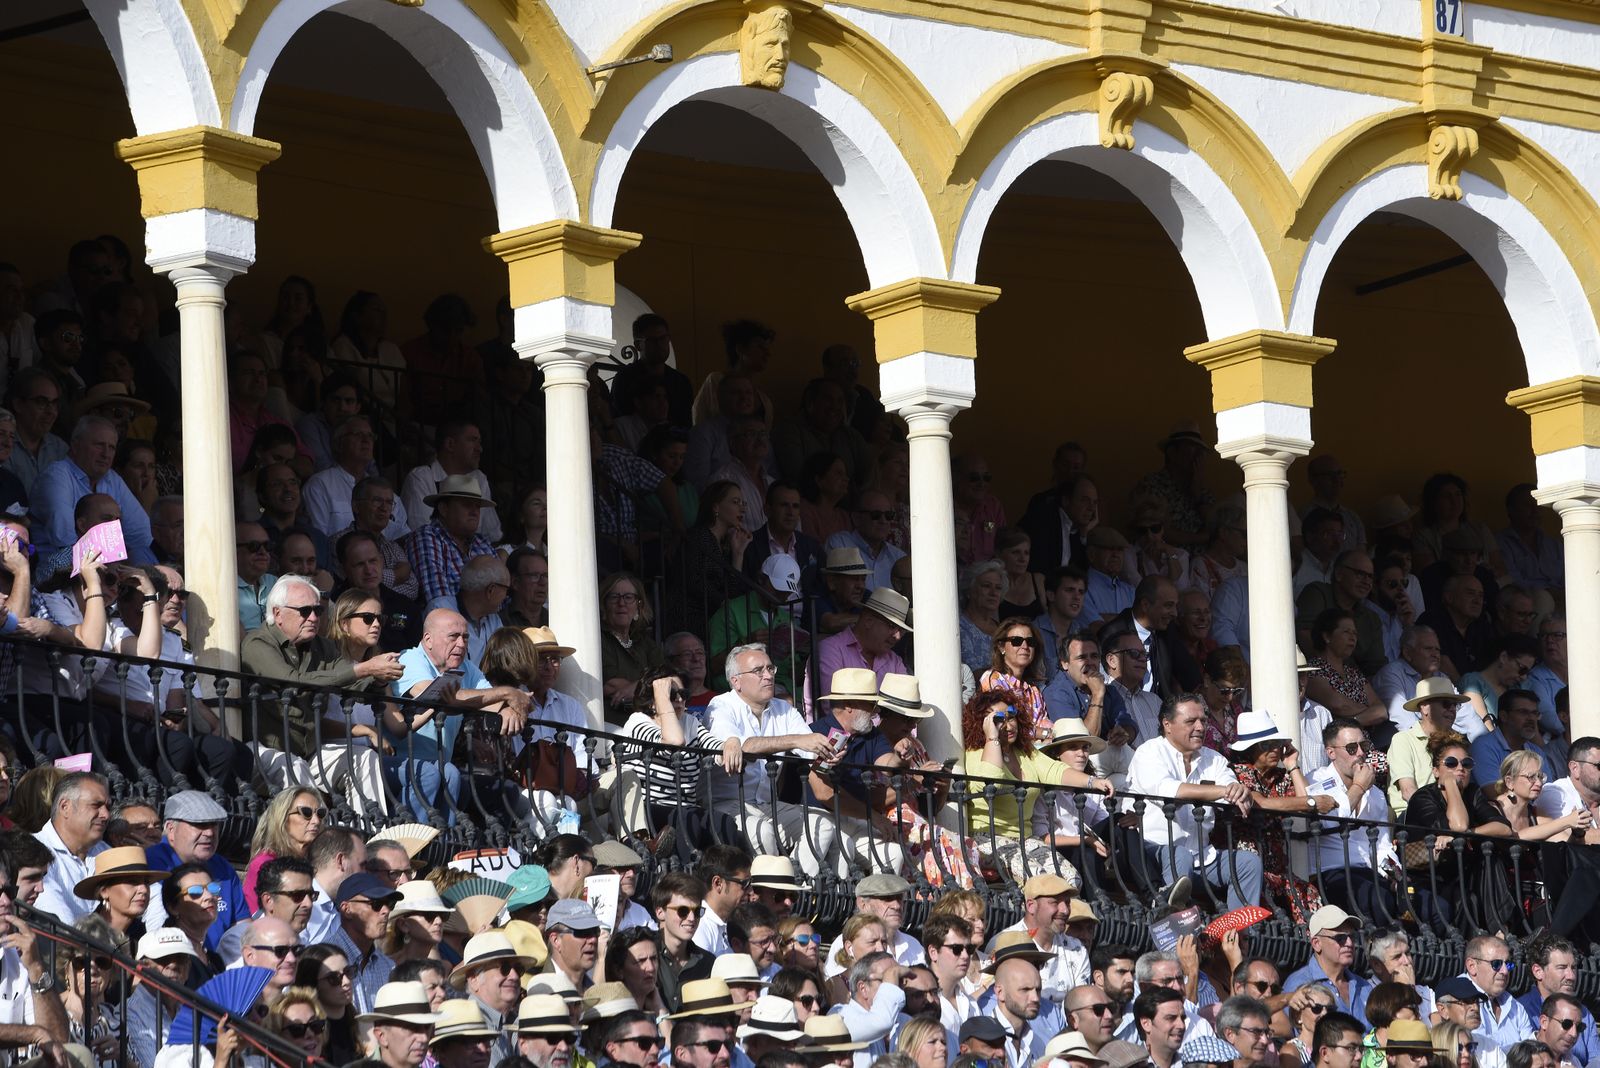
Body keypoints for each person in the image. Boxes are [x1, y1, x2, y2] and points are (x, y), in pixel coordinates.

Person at [385, 608, 530, 822]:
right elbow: (445, 697)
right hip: (398, 764)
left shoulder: (467, 668)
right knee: (447, 772)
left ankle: (446, 844)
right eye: (453, 636)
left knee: (501, 790)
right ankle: (413, 841)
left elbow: (489, 699)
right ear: (428, 639)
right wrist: (508, 693)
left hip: (441, 767)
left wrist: (508, 706)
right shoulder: (409, 660)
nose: (461, 644)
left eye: (465, 637)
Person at [705, 643, 837, 872]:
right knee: (762, 832)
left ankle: (795, 886)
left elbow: (810, 750)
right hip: (724, 805)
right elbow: (742, 748)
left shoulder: (783, 709)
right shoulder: (721, 705)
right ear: (736, 681)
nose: (768, 676)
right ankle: (772, 891)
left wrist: (828, 754)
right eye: (758, 671)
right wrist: (795, 741)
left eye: (770, 669)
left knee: (823, 824)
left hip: (767, 805)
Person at [965, 684, 1112, 886]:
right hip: (989, 839)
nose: (1008, 725)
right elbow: (989, 787)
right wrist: (992, 738)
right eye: (999, 720)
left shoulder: (1025, 754)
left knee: (1071, 880)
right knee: (1040, 882)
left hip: (1026, 840)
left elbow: (1055, 770)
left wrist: (1092, 781)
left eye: (1010, 716)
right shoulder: (975, 754)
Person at [1127, 694, 1262, 910]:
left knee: (1248, 863)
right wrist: (1222, 790)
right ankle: (1174, 927)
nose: (1200, 727)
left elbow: (1230, 786)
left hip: (1202, 856)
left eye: (1204, 721)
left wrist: (1238, 791)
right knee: (1179, 854)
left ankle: (1239, 935)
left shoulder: (1214, 758)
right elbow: (1169, 791)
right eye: (1191, 721)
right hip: (1154, 854)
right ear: (1167, 725)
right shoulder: (1149, 752)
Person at [30, 414, 154, 561]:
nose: (106, 454)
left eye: (112, 448)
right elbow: (64, 539)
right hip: (59, 574)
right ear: (75, 445)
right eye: (99, 445)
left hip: (104, 571)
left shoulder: (111, 478)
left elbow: (142, 536)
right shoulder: (56, 475)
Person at [408, 475, 498, 610]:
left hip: (488, 624)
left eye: (477, 506)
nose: (474, 512)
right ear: (444, 509)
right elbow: (438, 598)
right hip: (446, 626)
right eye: (467, 505)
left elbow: (502, 595)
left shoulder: (482, 543)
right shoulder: (427, 536)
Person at [32, 772, 110, 923]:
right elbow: (60, 922)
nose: (106, 815)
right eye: (96, 805)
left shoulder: (108, 853)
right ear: (65, 807)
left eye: (107, 806)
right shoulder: (34, 850)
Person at [1517, 937, 1597, 1068]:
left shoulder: (1584, 1014)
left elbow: (1596, 1060)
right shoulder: (1519, 1011)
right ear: (1538, 971)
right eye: (1562, 968)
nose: (1571, 976)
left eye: (1573, 968)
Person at [1284, 906, 1372, 1025]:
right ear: (1316, 944)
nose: (1349, 943)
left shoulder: (1364, 987)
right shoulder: (1299, 984)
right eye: (1340, 938)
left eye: (1352, 937)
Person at [243, 786, 324, 912]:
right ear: (283, 818)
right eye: (306, 813)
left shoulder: (317, 863)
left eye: (320, 813)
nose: (316, 820)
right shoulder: (265, 863)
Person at [600, 571, 667, 720]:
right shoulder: (599, 639)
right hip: (612, 721)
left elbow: (667, 677)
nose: (621, 603)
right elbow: (610, 685)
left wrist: (635, 686)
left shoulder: (645, 642)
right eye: (614, 597)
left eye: (628, 597)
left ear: (639, 606)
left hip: (649, 719)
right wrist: (651, 686)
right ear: (604, 605)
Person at [77, 843, 163, 948]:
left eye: (146, 882)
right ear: (104, 891)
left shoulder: (143, 938)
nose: (144, 889)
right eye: (132, 882)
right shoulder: (83, 938)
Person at [959, 560, 1008, 675]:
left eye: (998, 588)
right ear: (969, 590)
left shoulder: (1004, 630)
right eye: (986, 586)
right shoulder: (958, 627)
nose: (993, 593)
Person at [1134, 986, 1188, 1068]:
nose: (1181, 1025)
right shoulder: (1129, 1064)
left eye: (1183, 1018)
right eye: (1171, 1018)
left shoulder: (1191, 1064)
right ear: (1146, 1023)